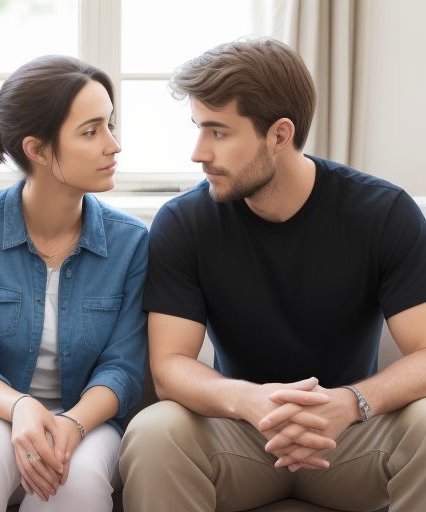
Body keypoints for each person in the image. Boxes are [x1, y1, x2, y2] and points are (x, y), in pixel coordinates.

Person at [118, 38, 426, 511]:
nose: (199, 153)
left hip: (351, 441)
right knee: (155, 430)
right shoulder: (185, 221)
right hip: (239, 437)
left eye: (218, 132)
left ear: (279, 135)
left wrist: (350, 403)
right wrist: (249, 402)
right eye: (199, 129)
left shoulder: (383, 212)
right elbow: (170, 367)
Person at [0, 55, 148, 512]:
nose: (114, 145)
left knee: (76, 479)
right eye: (91, 131)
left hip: (84, 419)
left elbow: (123, 369)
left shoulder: (132, 243)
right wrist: (21, 407)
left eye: (111, 125)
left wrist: (73, 425)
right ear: (37, 150)